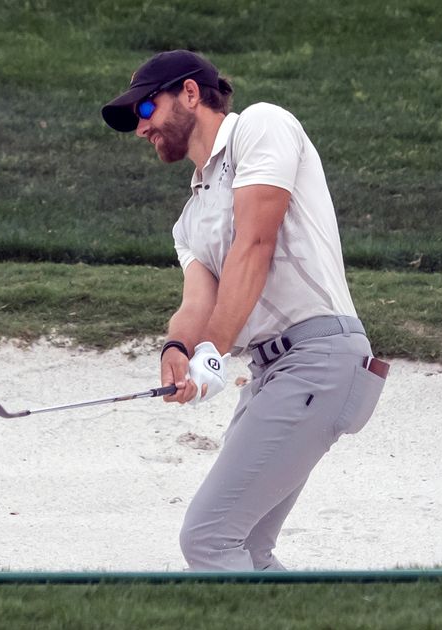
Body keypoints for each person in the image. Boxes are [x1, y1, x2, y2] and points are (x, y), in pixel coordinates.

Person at [100, 50, 389, 571]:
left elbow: (256, 241)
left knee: (209, 539)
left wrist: (212, 350)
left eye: (146, 110)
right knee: (249, 550)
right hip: (273, 373)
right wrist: (179, 349)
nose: (141, 129)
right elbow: (197, 302)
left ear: (191, 93)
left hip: (319, 357)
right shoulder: (189, 219)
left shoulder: (262, 126)